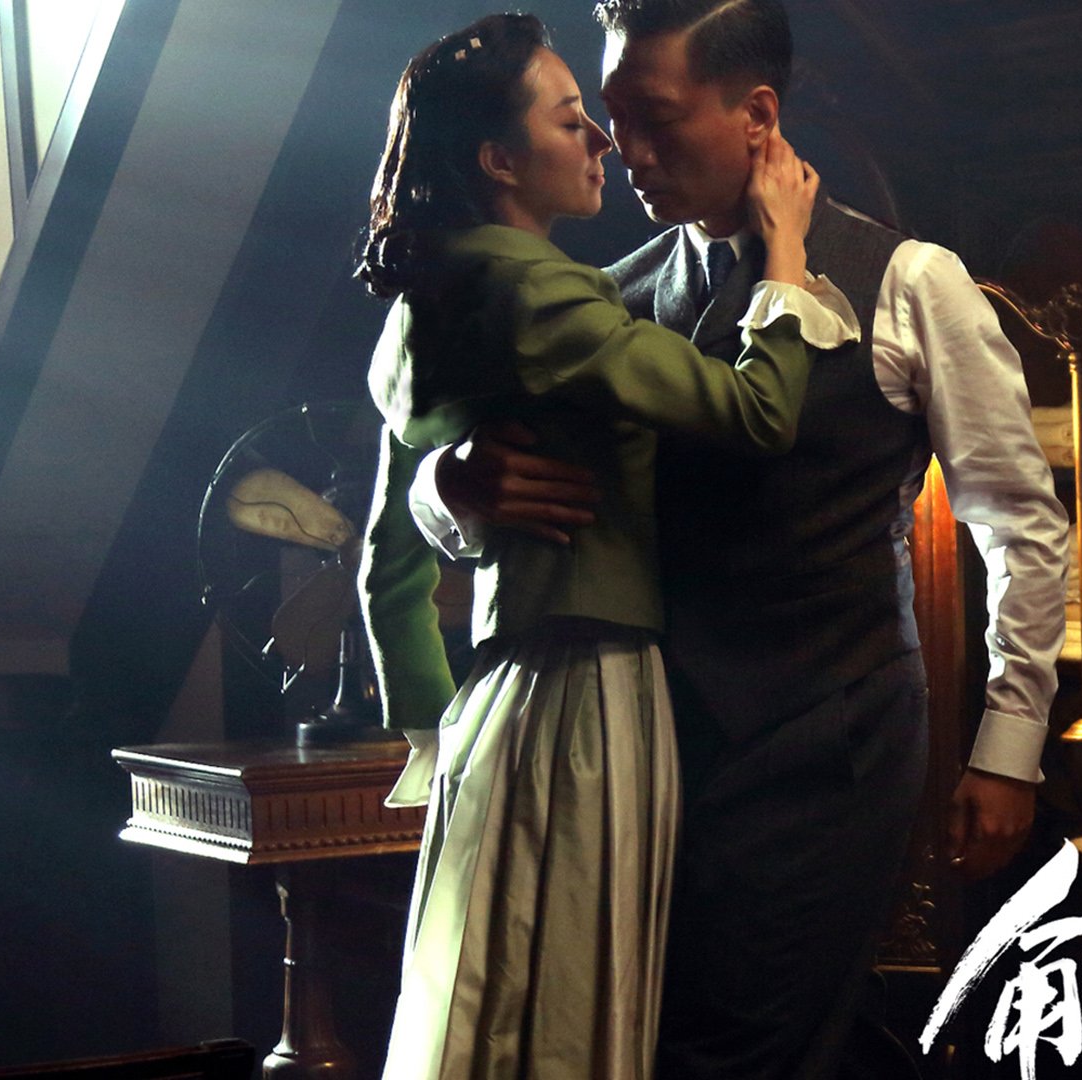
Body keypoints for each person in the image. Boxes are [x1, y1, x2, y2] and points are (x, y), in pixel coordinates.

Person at [406, 2, 1071, 1076]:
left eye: (658, 119)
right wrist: (450, 488)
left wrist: (1008, 747)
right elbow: (446, 478)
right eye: (613, 118)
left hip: (832, 734)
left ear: (757, 114)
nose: (627, 150)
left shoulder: (912, 282)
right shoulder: (608, 297)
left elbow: (1020, 524)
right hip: (650, 744)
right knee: (664, 1041)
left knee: (740, 1049)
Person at [352, 14, 859, 1080]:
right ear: (499, 160)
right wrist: (787, 257)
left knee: (499, 989)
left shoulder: (420, 308)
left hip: (493, 704)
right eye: (573, 119)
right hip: (594, 687)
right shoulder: (547, 290)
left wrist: (432, 724)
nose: (603, 144)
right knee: (571, 1002)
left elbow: (385, 568)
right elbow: (758, 414)